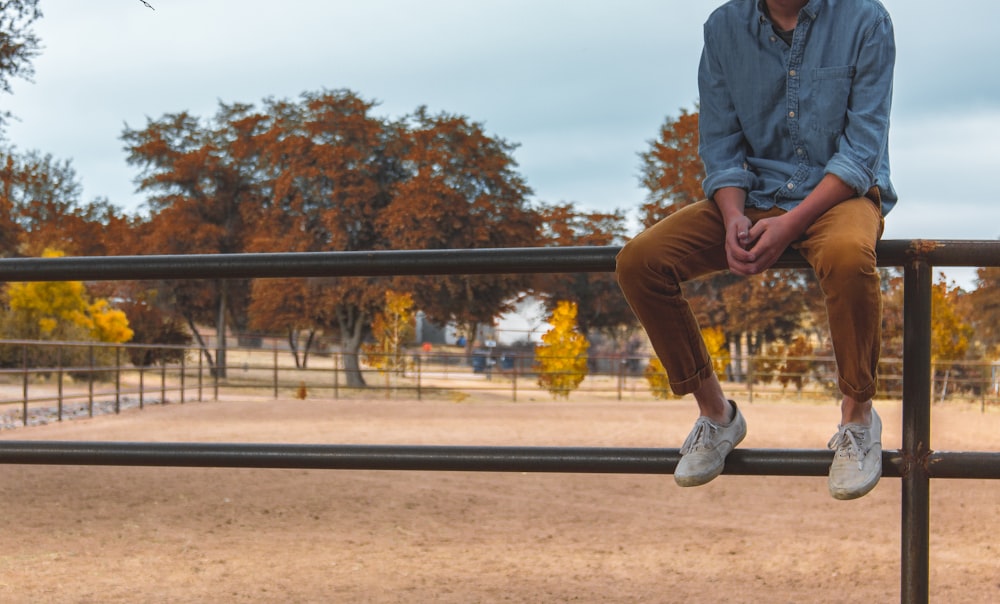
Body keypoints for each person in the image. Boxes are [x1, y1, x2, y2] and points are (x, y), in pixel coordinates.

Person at [616, 0, 896, 500]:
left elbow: (862, 149)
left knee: (849, 256)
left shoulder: (866, 19)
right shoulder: (723, 27)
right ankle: (716, 414)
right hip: (753, 193)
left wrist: (791, 224)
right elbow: (720, 143)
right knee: (640, 261)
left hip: (840, 194)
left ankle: (857, 418)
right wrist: (732, 217)